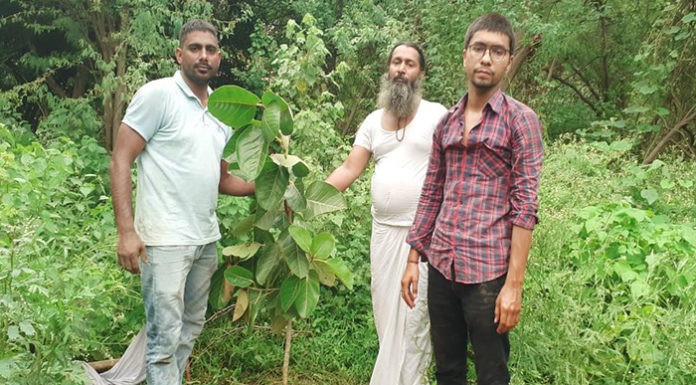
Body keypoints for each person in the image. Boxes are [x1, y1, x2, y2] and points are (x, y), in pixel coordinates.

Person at [401, 13, 544, 385]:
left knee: (492, 374)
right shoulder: (446, 123)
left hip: (488, 274)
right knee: (448, 370)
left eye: (497, 51)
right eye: (479, 48)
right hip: (442, 265)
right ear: (465, 55)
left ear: (509, 61)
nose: (486, 58)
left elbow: (525, 206)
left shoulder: (520, 120)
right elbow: (432, 192)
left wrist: (513, 286)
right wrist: (414, 258)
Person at [110, 19, 254, 384]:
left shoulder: (222, 111)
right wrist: (126, 231)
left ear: (219, 57)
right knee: (162, 343)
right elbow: (121, 159)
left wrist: (268, 187)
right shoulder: (158, 95)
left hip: (205, 239)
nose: (203, 56)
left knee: (189, 329)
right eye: (195, 48)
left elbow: (221, 179)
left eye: (210, 49)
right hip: (164, 241)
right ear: (179, 54)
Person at [327, 42, 448, 385]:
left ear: (420, 74)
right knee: (384, 314)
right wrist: (309, 198)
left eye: (409, 63)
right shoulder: (371, 122)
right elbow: (350, 169)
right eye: (396, 62)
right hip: (383, 234)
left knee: (415, 318)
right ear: (388, 69)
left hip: (423, 237)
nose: (401, 68)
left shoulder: (437, 115)